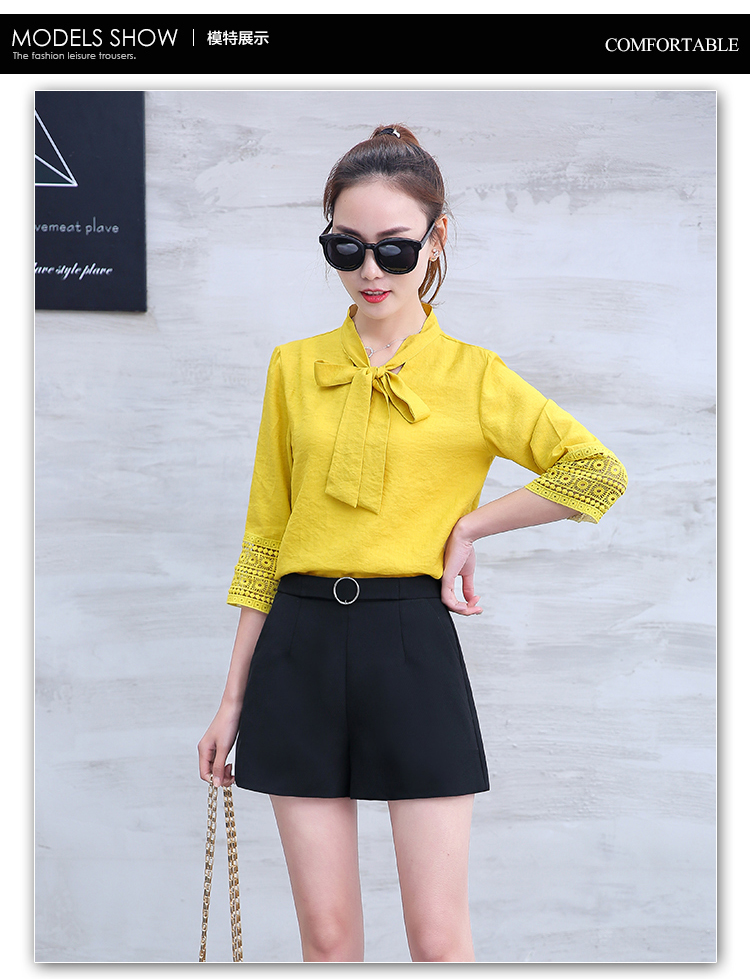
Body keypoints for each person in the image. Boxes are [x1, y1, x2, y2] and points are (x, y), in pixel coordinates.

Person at [198, 124, 627, 963]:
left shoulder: (474, 374)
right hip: (297, 645)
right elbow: (266, 540)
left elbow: (596, 473)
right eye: (345, 247)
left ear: (436, 240)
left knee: (436, 939)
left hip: (411, 643)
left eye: (393, 249)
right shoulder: (294, 367)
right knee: (328, 941)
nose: (369, 271)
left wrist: (471, 524)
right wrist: (231, 699)